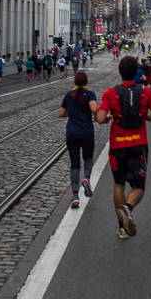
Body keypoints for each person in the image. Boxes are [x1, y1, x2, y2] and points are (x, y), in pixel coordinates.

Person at [96, 56, 151, 239]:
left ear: (120, 72)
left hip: (118, 146)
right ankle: (128, 208)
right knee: (138, 186)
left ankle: (122, 227)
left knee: (119, 184)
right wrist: (145, 118)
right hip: (138, 144)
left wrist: (110, 117)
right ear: (136, 73)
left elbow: (100, 118)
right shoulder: (146, 93)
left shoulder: (111, 93)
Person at [59, 71, 99, 209]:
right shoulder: (90, 94)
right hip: (87, 133)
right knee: (88, 157)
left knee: (74, 163)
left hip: (72, 133)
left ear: (74, 82)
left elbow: (61, 114)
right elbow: (94, 108)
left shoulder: (69, 96)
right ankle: (86, 178)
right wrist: (95, 115)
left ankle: (75, 196)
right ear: (87, 82)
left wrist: (73, 113)